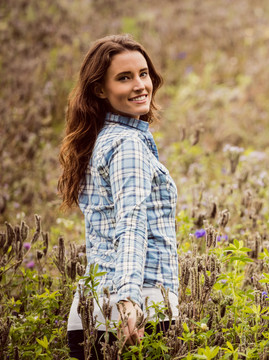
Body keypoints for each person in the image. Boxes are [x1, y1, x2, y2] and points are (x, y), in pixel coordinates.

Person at [58, 34, 179, 359]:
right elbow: (132, 224)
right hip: (136, 311)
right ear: (100, 89)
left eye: (143, 74)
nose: (140, 85)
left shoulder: (102, 138)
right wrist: (128, 300)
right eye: (124, 78)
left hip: (93, 309)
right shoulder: (126, 145)